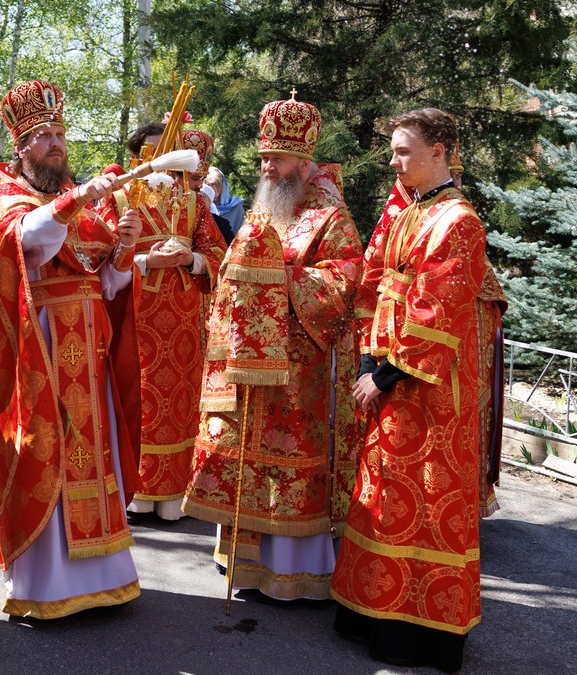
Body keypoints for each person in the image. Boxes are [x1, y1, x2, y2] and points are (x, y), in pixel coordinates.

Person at [331, 108, 497, 671]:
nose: (393, 162)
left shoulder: (458, 221)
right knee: (385, 491)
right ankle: (369, 610)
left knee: (425, 497)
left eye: (404, 151)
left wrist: (383, 375)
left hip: (432, 389)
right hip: (390, 374)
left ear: (439, 151)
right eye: (394, 151)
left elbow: (438, 311)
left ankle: (418, 630)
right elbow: (374, 285)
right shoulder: (407, 212)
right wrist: (366, 362)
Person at [183, 92, 364, 602]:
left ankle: (293, 575)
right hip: (249, 368)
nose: (268, 168)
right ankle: (244, 563)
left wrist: (276, 278)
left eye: (277, 159)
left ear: (304, 163)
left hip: (299, 372)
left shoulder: (332, 217)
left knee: (288, 463)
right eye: (263, 158)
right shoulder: (265, 211)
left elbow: (345, 282)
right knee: (245, 458)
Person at [0, 80, 144, 619]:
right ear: (21, 146)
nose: (56, 143)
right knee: (47, 449)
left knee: (96, 452)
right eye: (44, 136)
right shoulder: (7, 192)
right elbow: (29, 238)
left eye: (60, 134)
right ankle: (48, 584)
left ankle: (107, 574)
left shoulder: (80, 199)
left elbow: (109, 284)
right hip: (44, 347)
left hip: (89, 347)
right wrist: (80, 199)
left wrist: (125, 246)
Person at [99, 125, 226, 522]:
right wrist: (146, 261)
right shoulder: (119, 196)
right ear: (137, 154)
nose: (158, 159)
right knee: (137, 396)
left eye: (165, 150)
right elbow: (98, 255)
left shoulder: (193, 202)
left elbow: (218, 253)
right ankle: (135, 489)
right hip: (134, 314)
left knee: (180, 404)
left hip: (183, 320)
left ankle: (174, 491)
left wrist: (191, 260)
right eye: (149, 151)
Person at [203, 165, 244, 245]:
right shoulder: (202, 205)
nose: (213, 187)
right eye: (208, 184)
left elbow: (241, 234)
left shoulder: (235, 206)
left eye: (216, 184)